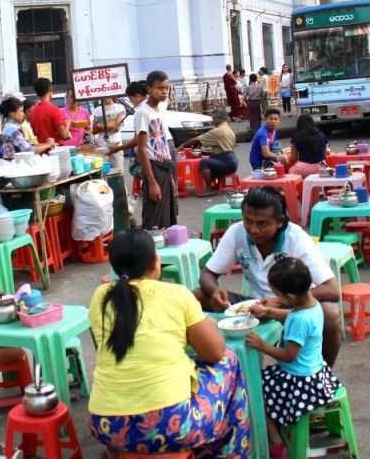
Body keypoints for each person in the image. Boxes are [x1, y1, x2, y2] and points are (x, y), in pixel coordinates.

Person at [87, 230, 251, 456]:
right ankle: (229, 452)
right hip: (169, 426)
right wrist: (210, 325)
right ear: (156, 261)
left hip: (106, 425)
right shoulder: (177, 294)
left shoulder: (100, 297)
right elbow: (214, 353)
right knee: (229, 362)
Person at [195, 186, 343, 366]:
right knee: (197, 296)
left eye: (262, 223)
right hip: (256, 305)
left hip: (294, 306)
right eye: (248, 221)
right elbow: (208, 275)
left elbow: (332, 290)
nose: (254, 229)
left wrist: (281, 301)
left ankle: (322, 377)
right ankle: (210, 368)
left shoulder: (295, 238)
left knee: (330, 314)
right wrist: (215, 290)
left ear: (279, 221)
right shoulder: (237, 233)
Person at [247, 257, 342, 456]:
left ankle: (274, 439)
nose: (275, 298)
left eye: (277, 295)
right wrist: (268, 311)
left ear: (290, 297)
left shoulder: (300, 320)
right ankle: (283, 426)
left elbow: (289, 355)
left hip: (298, 382)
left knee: (254, 391)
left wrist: (262, 345)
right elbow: (291, 315)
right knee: (262, 383)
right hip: (314, 374)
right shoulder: (312, 305)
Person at [136, 71, 178, 230]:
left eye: (166, 88)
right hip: (153, 169)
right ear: (149, 88)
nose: (164, 92)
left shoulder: (160, 109)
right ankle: (150, 252)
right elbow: (141, 150)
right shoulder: (143, 112)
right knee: (153, 218)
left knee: (167, 217)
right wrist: (152, 182)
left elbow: (162, 142)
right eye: (160, 88)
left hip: (165, 167)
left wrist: (171, 179)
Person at [178, 109, 237, 197]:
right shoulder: (229, 130)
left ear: (218, 119)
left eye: (213, 119)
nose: (212, 121)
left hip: (226, 162)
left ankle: (209, 189)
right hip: (231, 160)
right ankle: (212, 185)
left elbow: (197, 140)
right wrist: (204, 153)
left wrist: (182, 145)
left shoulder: (218, 131)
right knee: (208, 161)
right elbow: (222, 150)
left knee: (204, 163)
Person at [29, 77, 71, 144]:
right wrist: (67, 124)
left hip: (42, 149)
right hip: (56, 149)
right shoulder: (54, 110)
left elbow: (35, 133)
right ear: (50, 89)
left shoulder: (33, 111)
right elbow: (64, 136)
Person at [91, 96, 127, 173]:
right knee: (103, 172)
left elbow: (117, 128)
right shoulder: (97, 110)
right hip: (101, 145)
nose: (106, 98)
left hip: (116, 144)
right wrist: (111, 125)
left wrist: (100, 126)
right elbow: (94, 130)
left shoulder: (119, 108)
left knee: (118, 171)